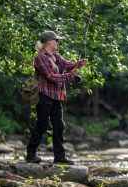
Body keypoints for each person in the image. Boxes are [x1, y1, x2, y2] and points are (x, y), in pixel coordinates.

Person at [26, 30, 88, 164]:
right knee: (42, 125)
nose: (58, 42)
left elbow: (68, 65)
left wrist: (79, 63)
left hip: (56, 96)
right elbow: (50, 77)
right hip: (44, 95)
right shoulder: (40, 57)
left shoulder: (56, 56)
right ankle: (31, 154)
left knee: (59, 126)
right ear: (49, 42)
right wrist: (70, 75)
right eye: (56, 40)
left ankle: (59, 157)